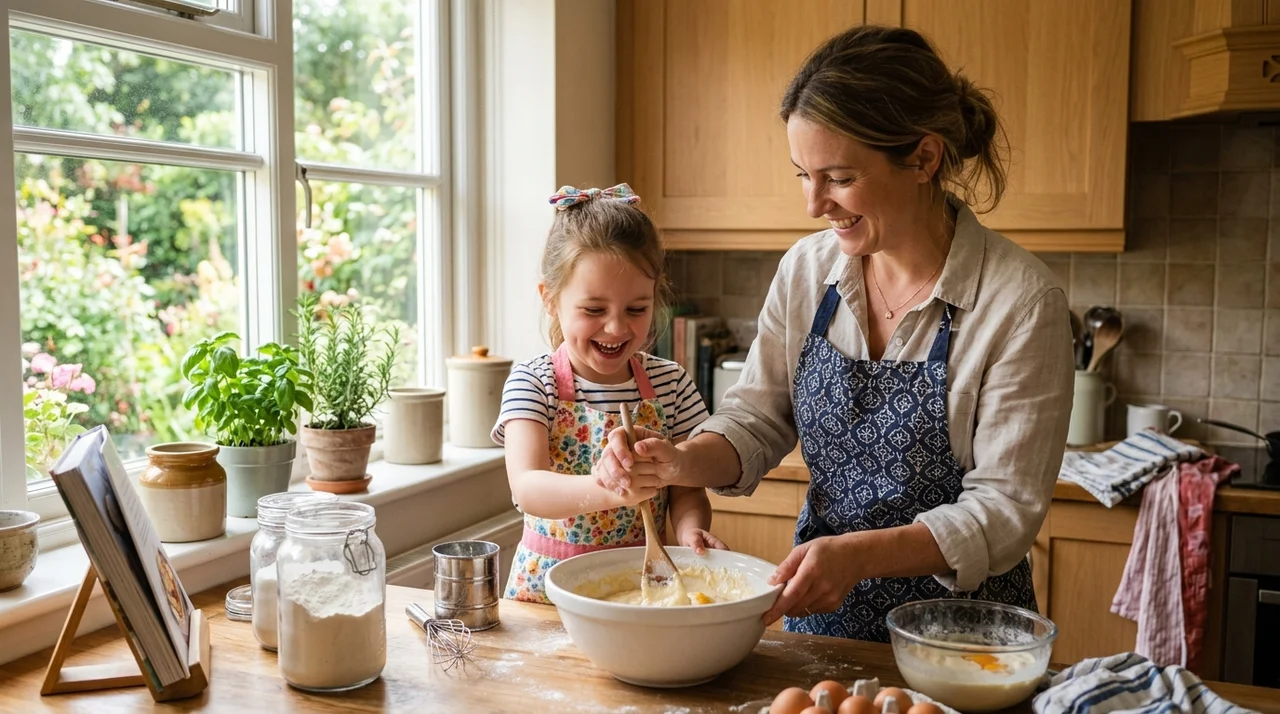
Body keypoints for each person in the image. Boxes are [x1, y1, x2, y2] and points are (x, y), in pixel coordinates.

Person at [593, 25, 1074, 642]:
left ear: (924, 158)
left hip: (961, 643)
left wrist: (859, 556)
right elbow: (757, 418)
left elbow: (1003, 514)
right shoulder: (807, 271)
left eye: (839, 177)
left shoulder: (1020, 303)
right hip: (822, 623)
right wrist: (680, 461)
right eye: (802, 174)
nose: (814, 203)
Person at [493, 183, 727, 604]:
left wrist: (691, 530)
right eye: (594, 310)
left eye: (636, 309)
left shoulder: (671, 384)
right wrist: (607, 489)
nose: (617, 328)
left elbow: (688, 486)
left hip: (637, 587)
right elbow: (527, 486)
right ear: (550, 299)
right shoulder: (534, 382)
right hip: (547, 596)